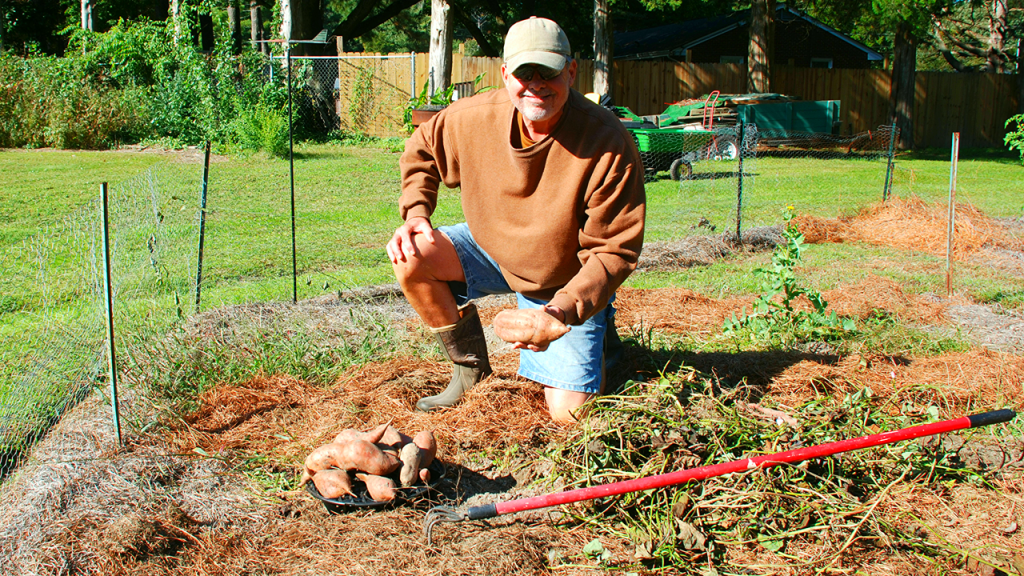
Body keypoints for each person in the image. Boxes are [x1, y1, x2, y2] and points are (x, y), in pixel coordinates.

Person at [386, 16, 645, 423]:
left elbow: (614, 250)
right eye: (525, 73)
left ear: (572, 72)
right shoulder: (472, 118)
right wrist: (417, 211)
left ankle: (599, 325)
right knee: (410, 254)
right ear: (506, 74)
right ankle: (468, 370)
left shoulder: (606, 141)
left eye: (550, 72)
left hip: (561, 278)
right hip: (494, 249)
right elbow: (422, 148)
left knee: (568, 417)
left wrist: (559, 312)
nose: (537, 83)